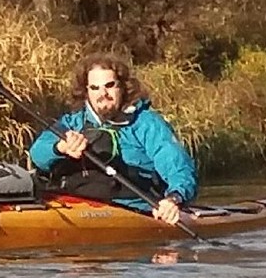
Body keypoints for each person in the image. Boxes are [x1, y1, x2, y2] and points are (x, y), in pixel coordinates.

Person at [30, 53, 198, 226]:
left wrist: (174, 198)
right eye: (94, 88)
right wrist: (60, 147)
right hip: (72, 204)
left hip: (132, 209)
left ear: (123, 87)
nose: (103, 93)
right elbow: (37, 154)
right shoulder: (71, 123)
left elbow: (177, 166)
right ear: (86, 91)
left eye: (109, 85)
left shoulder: (147, 124)